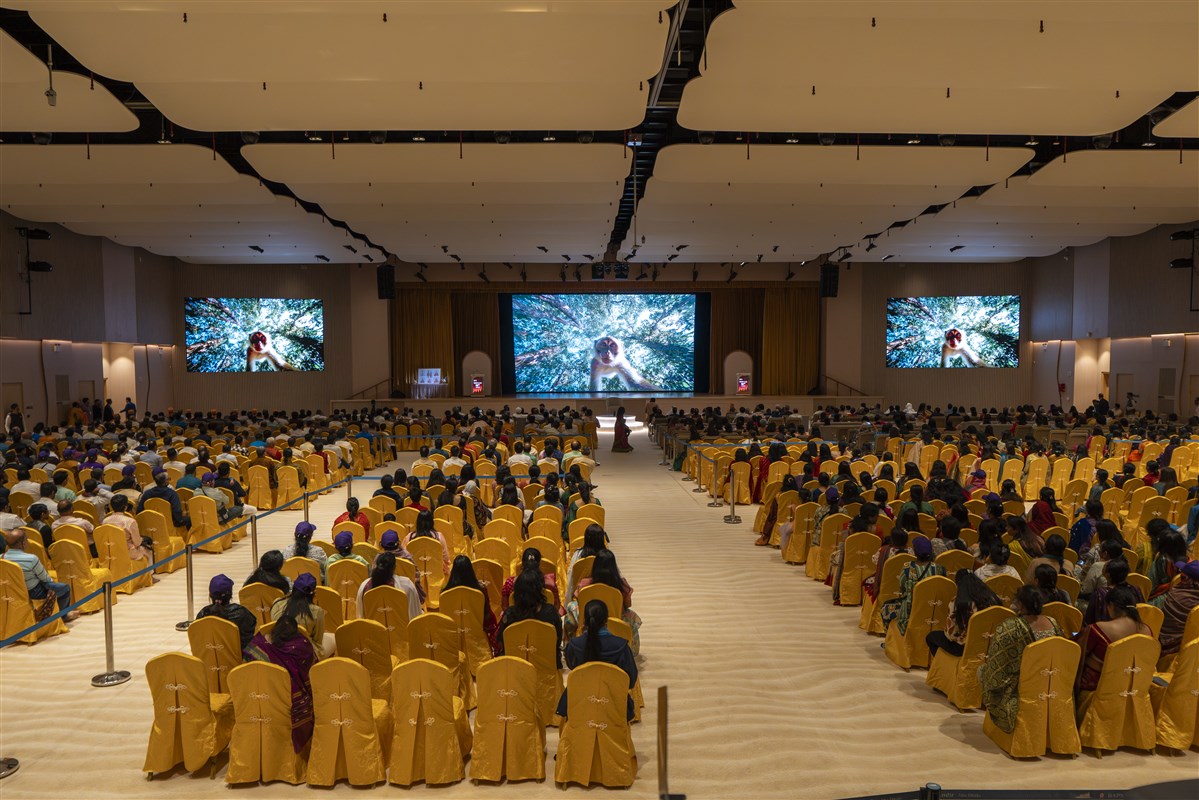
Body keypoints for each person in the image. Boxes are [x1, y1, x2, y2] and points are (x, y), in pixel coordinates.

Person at [980, 585, 1063, 734]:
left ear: (1020, 604)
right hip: (1050, 682)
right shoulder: (1053, 623)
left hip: (1020, 686)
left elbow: (996, 666)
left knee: (982, 670)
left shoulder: (1010, 627)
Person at [244, 613, 316, 753]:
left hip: (264, 698)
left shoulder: (258, 645)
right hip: (294, 702)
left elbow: (247, 671)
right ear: (295, 633)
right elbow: (312, 674)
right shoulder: (304, 646)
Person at [556, 599, 638, 721]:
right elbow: (630, 680)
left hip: (579, 701)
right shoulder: (621, 646)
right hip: (613, 703)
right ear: (606, 620)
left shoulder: (574, 645)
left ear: (584, 620)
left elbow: (572, 666)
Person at [1074, 585, 1152, 698]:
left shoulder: (1099, 628)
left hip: (1098, 687)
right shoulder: (1147, 630)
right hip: (1131, 686)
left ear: (1111, 605)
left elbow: (1078, 651)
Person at [565, 548, 641, 653]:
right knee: (632, 616)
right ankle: (631, 650)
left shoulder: (584, 584)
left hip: (589, 617)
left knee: (570, 606)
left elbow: (579, 601)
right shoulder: (621, 584)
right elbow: (627, 605)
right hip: (615, 619)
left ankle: (570, 643)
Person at [2, 528, 79, 621]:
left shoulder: (1, 558)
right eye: (26, 539)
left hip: (10, 592)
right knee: (64, 588)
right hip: (33, 592)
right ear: (23, 543)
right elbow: (45, 578)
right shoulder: (31, 559)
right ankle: (63, 616)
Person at [926, 569, 1003, 657]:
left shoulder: (957, 602)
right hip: (988, 645)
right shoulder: (992, 599)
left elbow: (951, 636)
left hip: (964, 648)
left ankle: (944, 665)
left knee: (931, 637)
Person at [496, 567, 562, 666]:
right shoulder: (551, 612)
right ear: (540, 590)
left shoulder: (509, 614)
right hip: (546, 667)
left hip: (515, 669)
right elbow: (557, 641)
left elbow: (501, 642)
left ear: (516, 592)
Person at [881, 537, 945, 635]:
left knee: (885, 609)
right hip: (934, 610)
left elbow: (902, 590)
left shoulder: (907, 568)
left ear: (915, 552)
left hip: (911, 610)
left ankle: (889, 639)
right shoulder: (940, 569)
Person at [443, 555, 499, 655]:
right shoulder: (480, 591)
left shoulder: (444, 593)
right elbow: (486, 615)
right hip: (476, 638)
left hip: (452, 639)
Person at [270, 573, 331, 659]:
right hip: (303, 654)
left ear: (293, 588)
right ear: (313, 593)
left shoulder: (277, 603)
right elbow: (318, 640)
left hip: (277, 650)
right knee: (332, 638)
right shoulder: (316, 611)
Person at [196, 573, 257, 654]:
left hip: (208, 662)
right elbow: (252, 632)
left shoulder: (202, 615)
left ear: (210, 595)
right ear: (230, 595)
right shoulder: (242, 613)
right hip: (239, 662)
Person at [354, 551, 423, 621]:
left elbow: (361, 616)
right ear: (394, 567)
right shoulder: (406, 585)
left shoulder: (364, 586)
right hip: (401, 631)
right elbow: (415, 615)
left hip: (373, 631)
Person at [1153, 560, 1199, 657]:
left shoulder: (1176, 595)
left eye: (1183, 577)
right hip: (1189, 650)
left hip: (1167, 648)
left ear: (1190, 581)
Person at [1082, 557, 1144, 626]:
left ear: (1107, 574)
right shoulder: (1136, 589)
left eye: (1104, 565)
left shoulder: (1100, 594)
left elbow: (1088, 621)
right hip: (1133, 631)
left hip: (1104, 633)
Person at [102, 494, 152, 564]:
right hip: (127, 552)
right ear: (125, 507)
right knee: (148, 549)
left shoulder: (105, 521)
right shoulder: (130, 521)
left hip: (112, 551)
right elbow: (137, 543)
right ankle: (149, 573)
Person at [402, 508, 450, 574]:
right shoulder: (439, 536)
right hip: (436, 574)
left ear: (418, 522)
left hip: (415, 574)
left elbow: (403, 557)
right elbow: (446, 558)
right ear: (432, 522)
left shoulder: (409, 537)